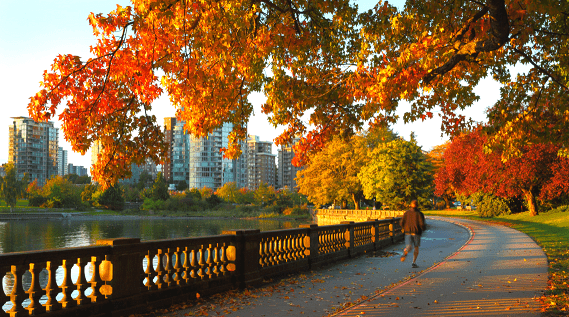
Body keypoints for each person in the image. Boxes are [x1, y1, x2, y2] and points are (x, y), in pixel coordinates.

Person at [399, 200, 426, 268]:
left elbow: (401, 222)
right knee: (416, 247)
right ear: (417, 205)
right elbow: (422, 224)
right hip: (416, 232)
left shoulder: (406, 213)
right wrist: (423, 229)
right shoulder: (419, 214)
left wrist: (404, 227)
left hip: (408, 232)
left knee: (409, 246)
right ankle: (413, 262)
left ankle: (406, 251)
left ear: (411, 205)